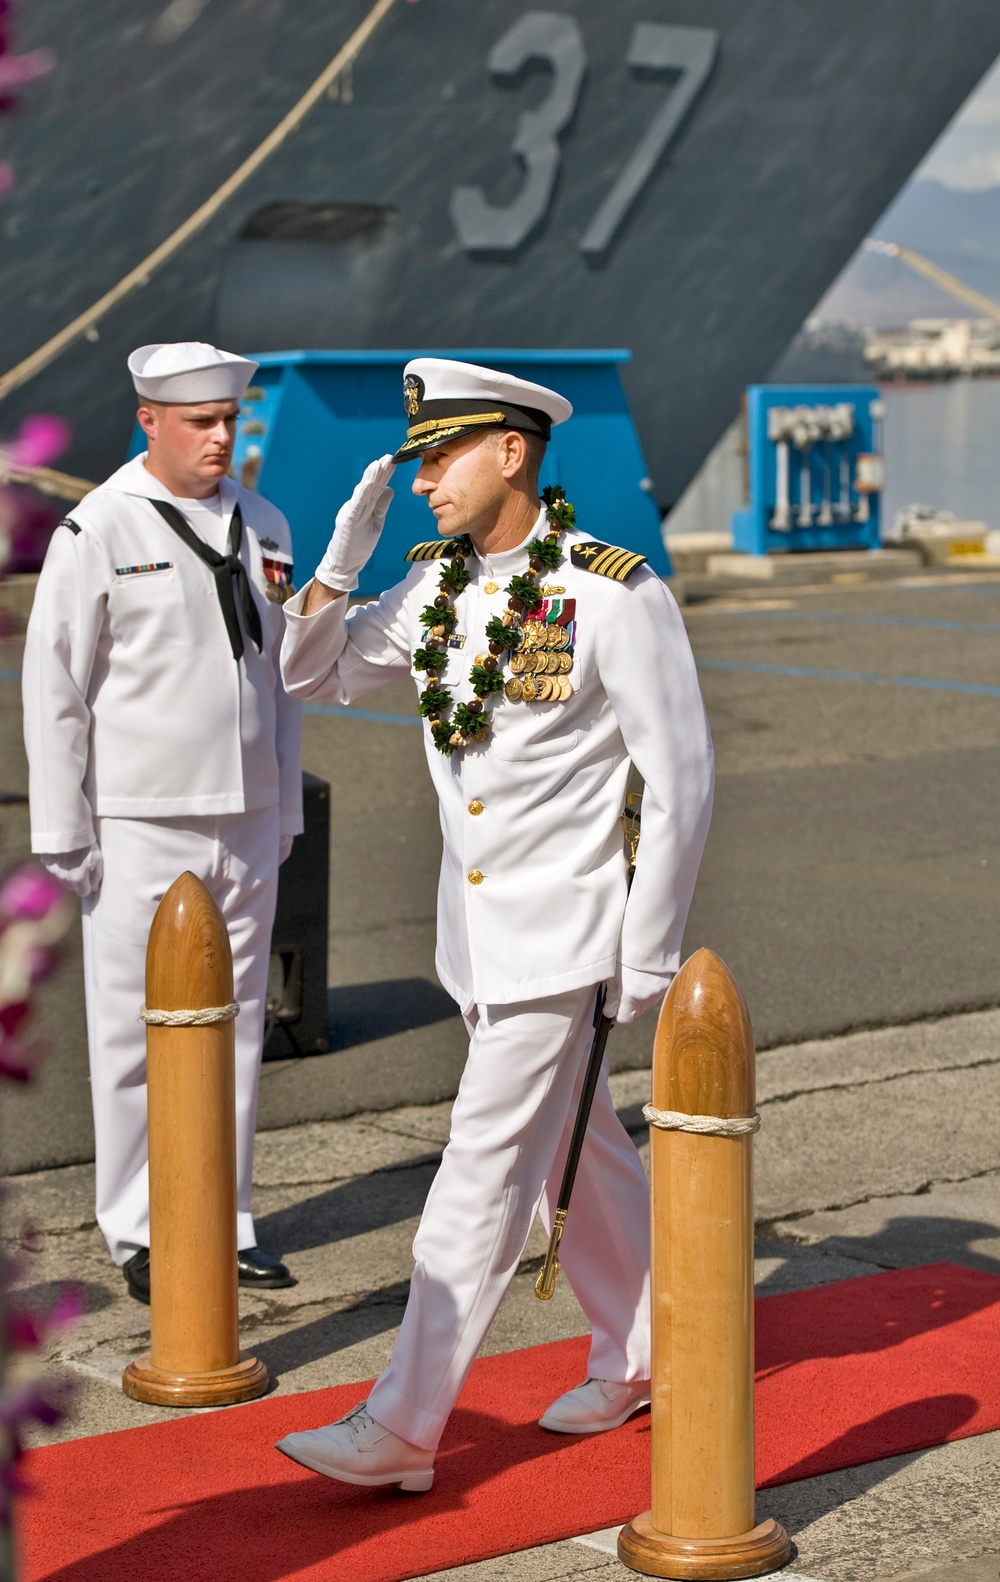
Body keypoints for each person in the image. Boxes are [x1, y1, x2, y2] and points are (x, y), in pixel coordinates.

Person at [275, 358, 713, 1491]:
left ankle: (404, 1426)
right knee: (586, 1150)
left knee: (479, 1175)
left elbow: (680, 780)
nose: (421, 479)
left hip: (566, 933)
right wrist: (338, 556)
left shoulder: (612, 592)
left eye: (439, 457)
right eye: (415, 461)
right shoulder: (432, 589)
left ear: (509, 452)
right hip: (473, 938)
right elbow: (305, 673)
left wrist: (648, 950)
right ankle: (648, 1350)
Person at [23, 341, 303, 1301]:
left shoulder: (264, 522)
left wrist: (287, 797)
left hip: (249, 812)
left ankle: (225, 1219)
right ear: (149, 420)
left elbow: (284, 679)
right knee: (135, 1033)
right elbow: (55, 683)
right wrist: (65, 826)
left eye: (230, 419)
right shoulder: (97, 528)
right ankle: (140, 1228)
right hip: (141, 817)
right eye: (200, 422)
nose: (222, 437)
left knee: (238, 1028)